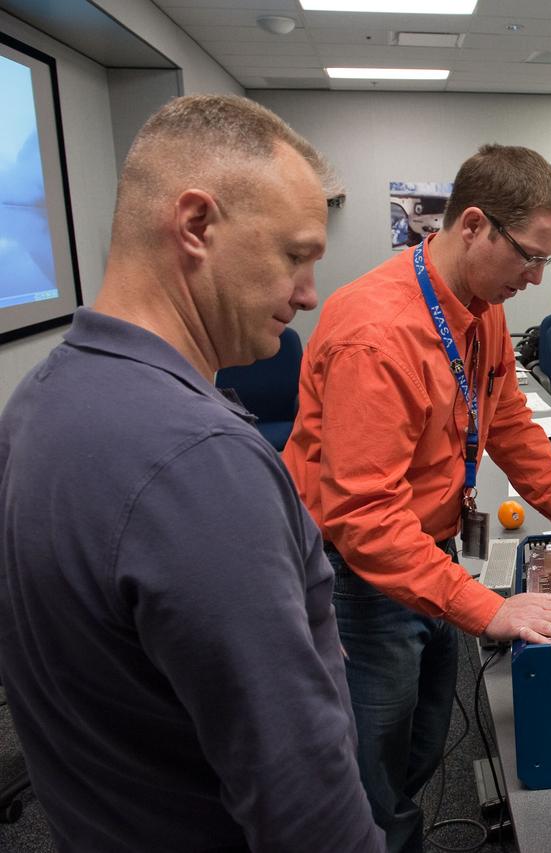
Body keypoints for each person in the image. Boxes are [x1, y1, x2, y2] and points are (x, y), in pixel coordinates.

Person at [0, 95, 381, 850]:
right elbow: (303, 799)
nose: (309, 293)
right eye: (295, 255)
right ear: (197, 226)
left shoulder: (38, 399)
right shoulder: (198, 462)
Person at [282, 143, 551, 852]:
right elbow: (365, 519)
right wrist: (491, 607)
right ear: (473, 224)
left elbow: (505, 418)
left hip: (431, 553)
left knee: (419, 742)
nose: (536, 279)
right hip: (360, 577)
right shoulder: (377, 335)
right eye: (529, 257)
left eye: (549, 261)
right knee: (370, 772)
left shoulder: (480, 304)